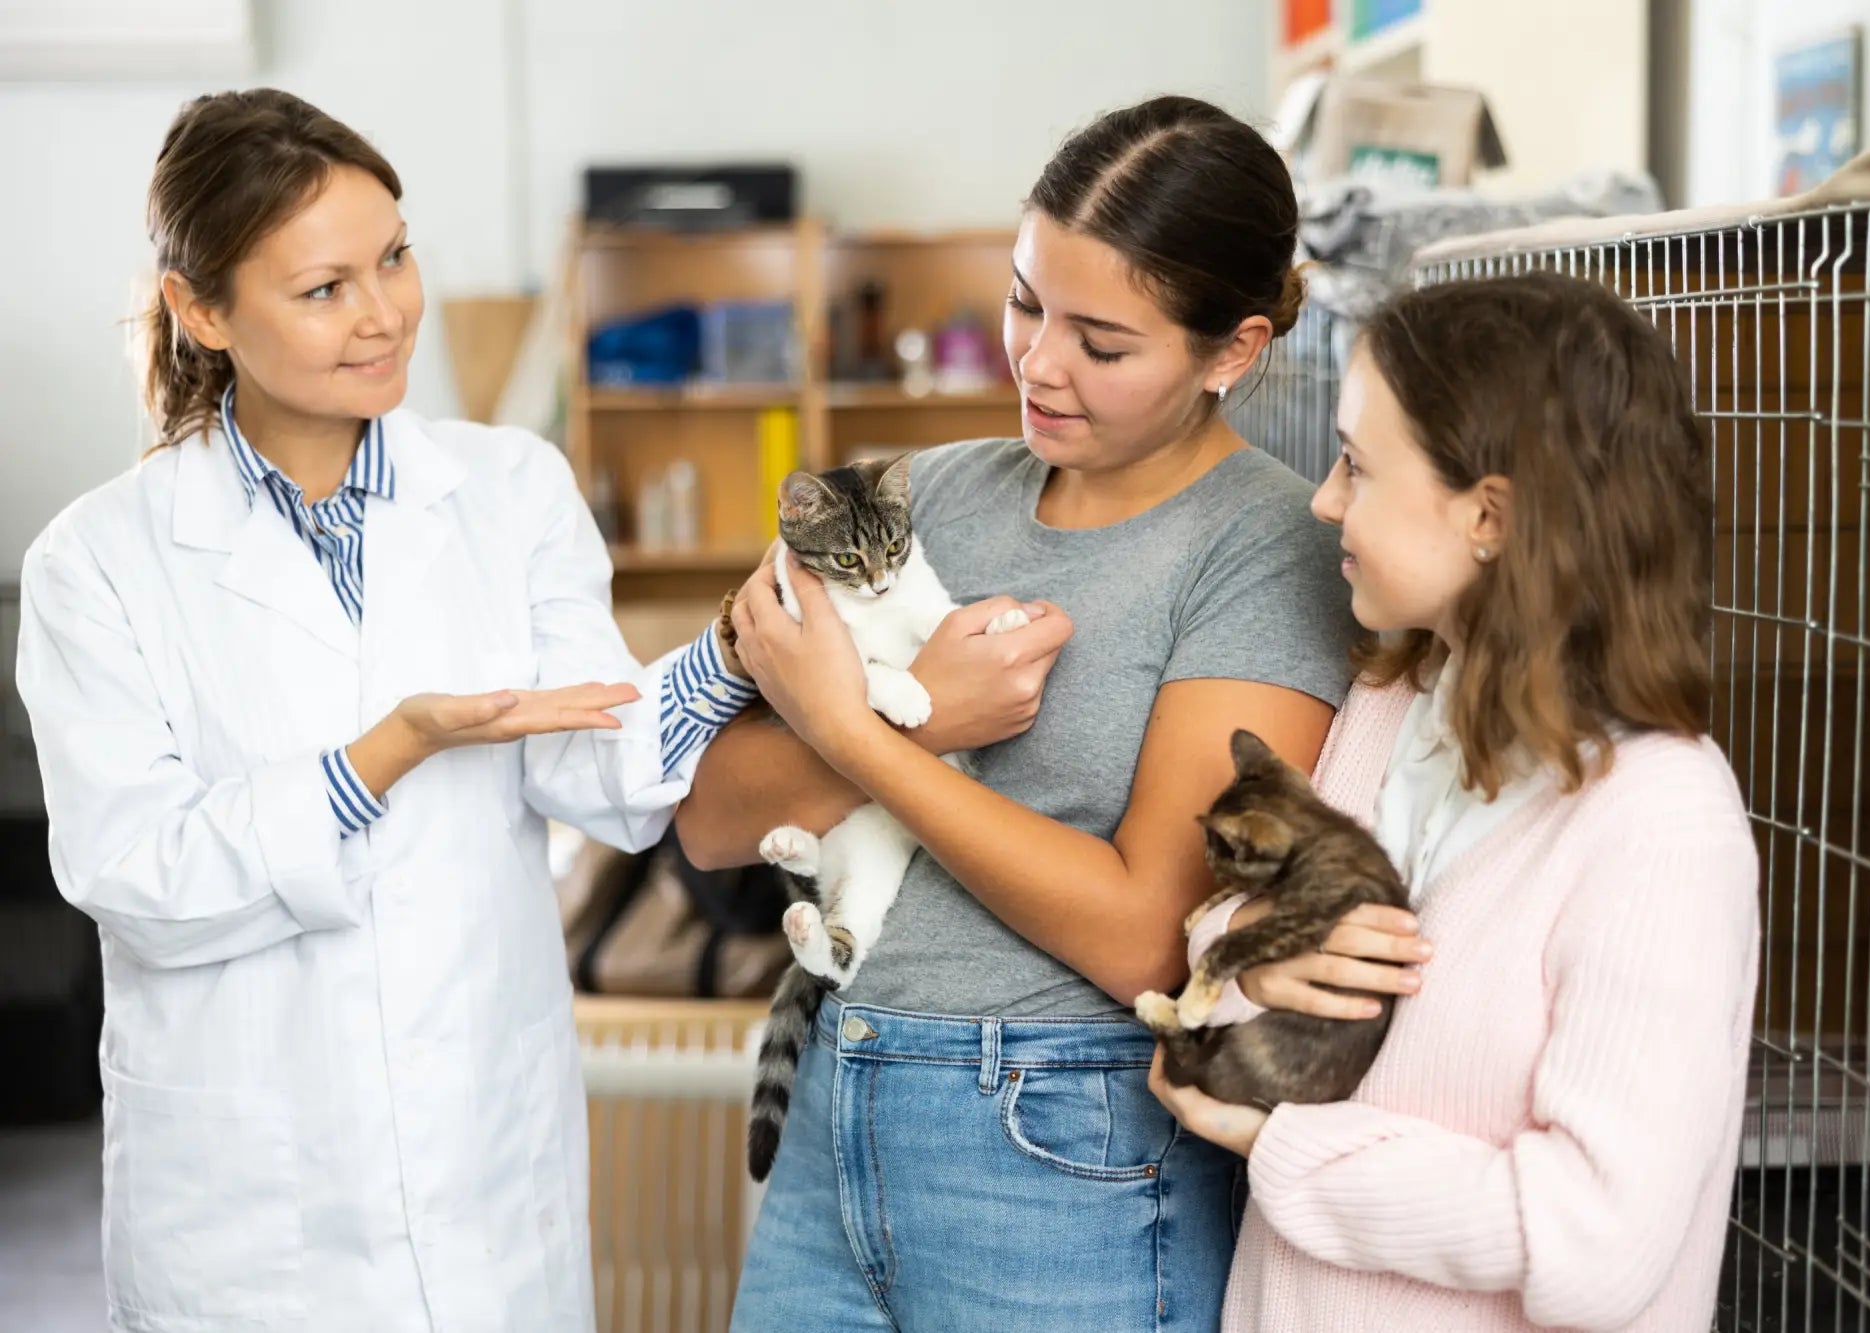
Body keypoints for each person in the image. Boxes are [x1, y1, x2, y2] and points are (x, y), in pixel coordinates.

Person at [18, 87, 769, 1332]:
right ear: (202, 312)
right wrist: (387, 749)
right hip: (250, 1216)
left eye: (396, 257)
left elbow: (600, 769)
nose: (383, 315)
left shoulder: (508, 490)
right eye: (323, 290)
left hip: (486, 1173)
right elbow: (134, 873)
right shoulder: (95, 562)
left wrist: (734, 648)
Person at [677, 95, 1371, 1332]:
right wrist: (926, 721)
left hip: (1062, 1154)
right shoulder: (925, 496)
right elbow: (710, 818)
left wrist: (852, 732)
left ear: (1232, 349)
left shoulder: (1266, 550)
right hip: (834, 1108)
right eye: (1023, 301)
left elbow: (1143, 933)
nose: (1038, 362)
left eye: (1102, 343)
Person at [1150, 272, 1761, 1332]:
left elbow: (1596, 1241)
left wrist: (1281, 1148)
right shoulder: (1392, 701)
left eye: (1357, 464)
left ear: (1487, 514)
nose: (1322, 499)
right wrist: (1257, 945)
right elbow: (1233, 923)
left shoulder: (1662, 822)